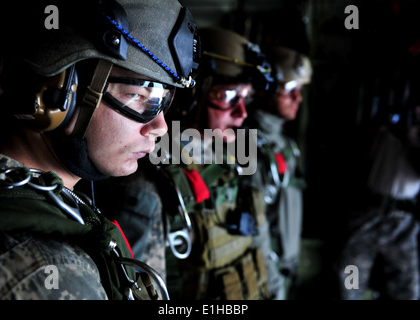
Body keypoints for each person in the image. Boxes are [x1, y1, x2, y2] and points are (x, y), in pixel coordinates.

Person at [0, 0, 199, 300]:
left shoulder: (44, 199)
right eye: (140, 95)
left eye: (165, 100)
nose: (160, 127)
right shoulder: (55, 273)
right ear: (54, 90)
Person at [90, 26, 274, 300]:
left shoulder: (232, 160)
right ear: (191, 95)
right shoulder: (147, 190)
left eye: (245, 98)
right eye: (226, 96)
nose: (241, 112)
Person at [335, 86, 420, 300]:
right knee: (350, 279)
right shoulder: (385, 127)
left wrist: (410, 141)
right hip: (368, 213)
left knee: (407, 289)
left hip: (402, 221)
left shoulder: (414, 137)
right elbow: (358, 161)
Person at [244, 46, 313, 299]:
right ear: (266, 88)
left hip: (283, 270)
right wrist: (273, 286)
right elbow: (255, 228)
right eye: (290, 89)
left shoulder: (284, 143)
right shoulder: (251, 145)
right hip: (266, 276)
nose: (298, 98)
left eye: (300, 90)